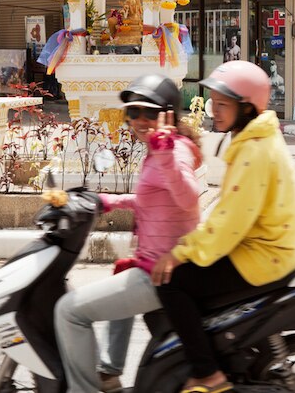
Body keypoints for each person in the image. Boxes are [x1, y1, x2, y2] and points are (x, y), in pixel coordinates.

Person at [151, 60, 295, 393]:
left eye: (223, 104)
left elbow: (231, 223)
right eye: (213, 102)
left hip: (264, 255)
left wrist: (181, 252)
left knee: (172, 282)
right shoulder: (255, 139)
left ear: (246, 107)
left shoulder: (254, 151)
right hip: (266, 247)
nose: (214, 111)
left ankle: (208, 374)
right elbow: (230, 211)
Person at [54, 75, 201, 393]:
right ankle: (109, 372)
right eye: (133, 113)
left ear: (168, 114)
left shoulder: (173, 151)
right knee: (120, 275)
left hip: (161, 273)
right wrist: (106, 201)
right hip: (150, 264)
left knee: (69, 311)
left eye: (148, 113)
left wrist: (163, 153)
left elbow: (189, 200)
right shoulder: (160, 149)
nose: (139, 120)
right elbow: (155, 199)